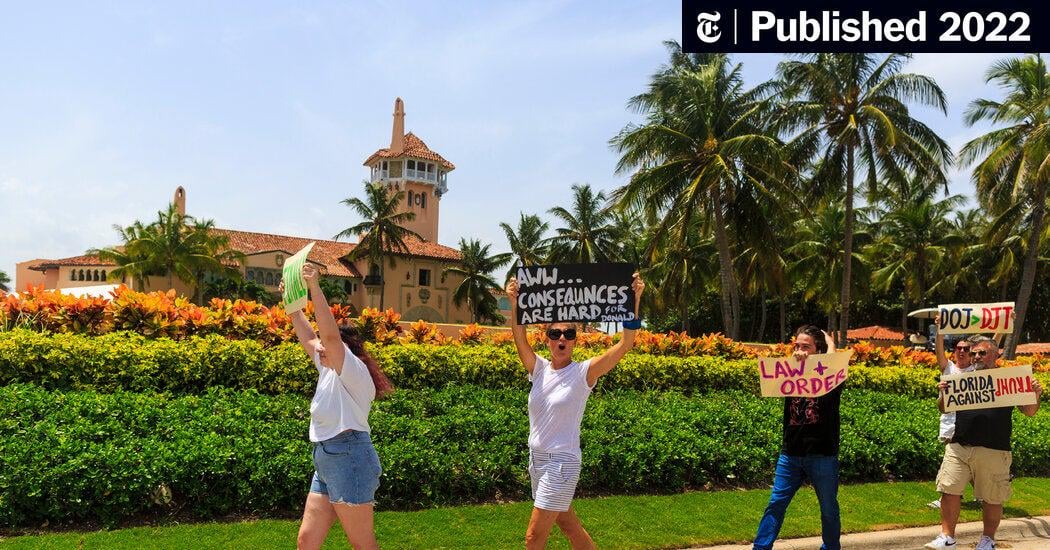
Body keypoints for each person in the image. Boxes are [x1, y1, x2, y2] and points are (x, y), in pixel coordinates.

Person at [506, 273, 645, 550]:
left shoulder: (583, 373)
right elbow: (519, 337)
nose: (562, 339)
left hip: (562, 462)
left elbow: (625, 345)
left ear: (575, 341)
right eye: (555, 334)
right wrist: (515, 302)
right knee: (569, 527)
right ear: (547, 339)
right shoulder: (538, 369)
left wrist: (635, 300)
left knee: (534, 537)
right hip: (537, 461)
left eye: (568, 335)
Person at [284, 264, 395, 550]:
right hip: (325, 458)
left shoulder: (354, 372)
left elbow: (330, 338)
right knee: (306, 541)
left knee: (362, 544)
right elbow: (311, 338)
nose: (320, 348)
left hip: (349, 458)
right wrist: (293, 308)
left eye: (328, 345)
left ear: (346, 350)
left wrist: (315, 287)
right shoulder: (327, 368)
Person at [925, 336, 1041, 550]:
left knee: (992, 498)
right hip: (959, 446)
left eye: (982, 353)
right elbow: (944, 408)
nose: (976, 356)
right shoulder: (962, 379)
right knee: (949, 490)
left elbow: (1029, 411)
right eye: (973, 353)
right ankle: (947, 537)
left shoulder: (1009, 380)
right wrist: (943, 394)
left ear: (996, 355)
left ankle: (988, 540)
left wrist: (1035, 394)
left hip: (994, 449)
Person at [753, 325, 841, 550]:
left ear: (818, 350)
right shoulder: (790, 372)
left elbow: (833, 363)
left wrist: (830, 344)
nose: (800, 351)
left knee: (828, 509)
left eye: (806, 347)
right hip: (791, 454)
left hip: (822, 454)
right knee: (776, 504)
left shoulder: (831, 375)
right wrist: (797, 361)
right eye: (797, 346)